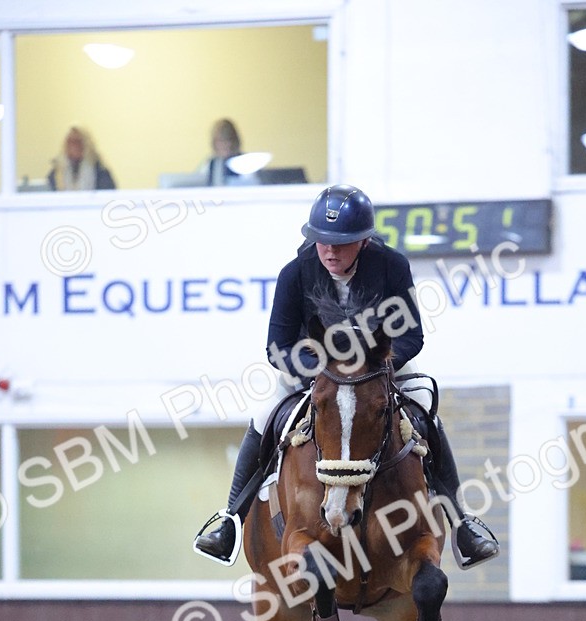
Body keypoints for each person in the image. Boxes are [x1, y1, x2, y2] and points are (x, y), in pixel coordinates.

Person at [194, 184, 499, 569]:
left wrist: (380, 368)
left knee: (426, 411)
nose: (330, 251)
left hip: (380, 365)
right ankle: (230, 519)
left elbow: (411, 334)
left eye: (341, 242)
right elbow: (277, 345)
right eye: (322, 240)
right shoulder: (294, 274)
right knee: (263, 415)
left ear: (364, 241)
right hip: (315, 369)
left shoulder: (392, 266)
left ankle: (462, 524)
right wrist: (321, 373)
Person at [47, 126, 116, 191]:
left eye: (77, 142)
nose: (74, 147)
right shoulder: (57, 172)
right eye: (70, 142)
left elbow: (107, 196)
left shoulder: (100, 171)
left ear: (86, 144)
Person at [202, 118, 243, 186]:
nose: (224, 145)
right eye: (220, 141)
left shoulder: (245, 162)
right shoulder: (210, 164)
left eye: (228, 140)